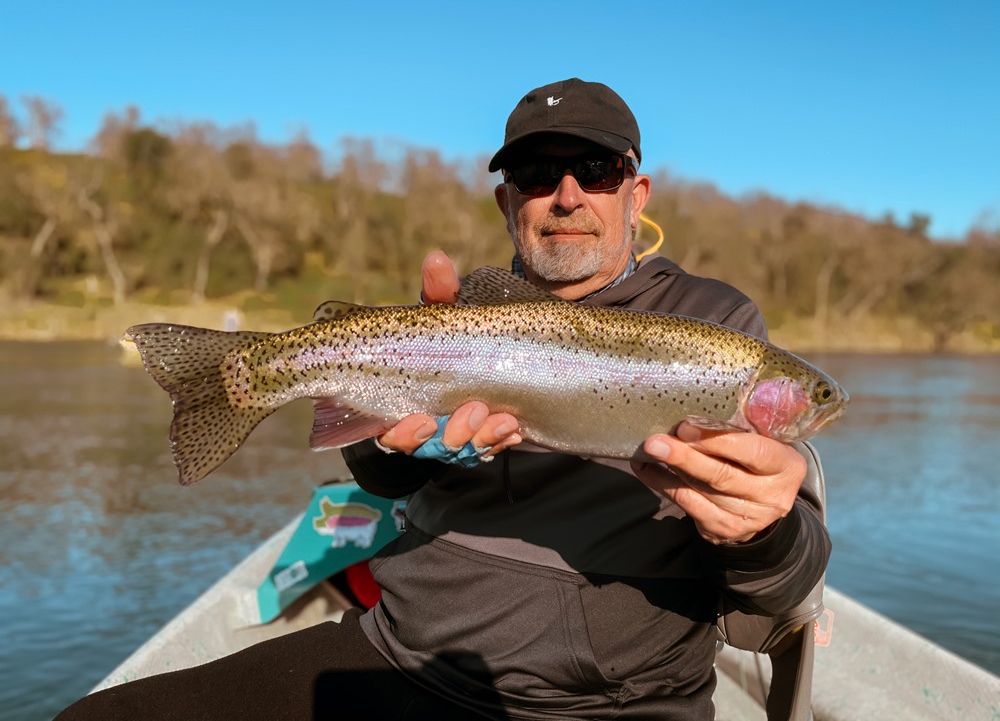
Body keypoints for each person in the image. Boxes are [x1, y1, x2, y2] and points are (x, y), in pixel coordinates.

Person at [57, 78, 830, 720]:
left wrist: (760, 531)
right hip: (400, 655)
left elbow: (785, 587)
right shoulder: (455, 315)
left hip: (612, 704)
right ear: (506, 203)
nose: (566, 196)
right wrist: (392, 448)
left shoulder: (716, 326)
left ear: (636, 192)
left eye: (594, 170)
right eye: (536, 176)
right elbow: (382, 473)